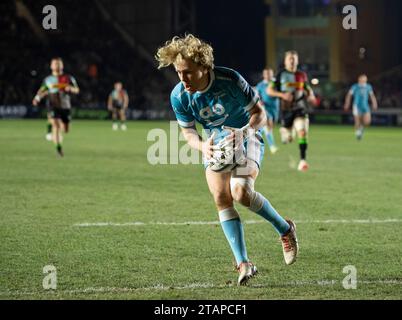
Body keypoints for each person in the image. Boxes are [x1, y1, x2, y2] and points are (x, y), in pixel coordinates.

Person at [155, 34, 298, 286]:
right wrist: (202, 146)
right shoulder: (179, 95)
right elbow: (188, 132)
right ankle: (244, 263)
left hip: (246, 135)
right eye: (178, 72)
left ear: (204, 67)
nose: (183, 79)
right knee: (221, 197)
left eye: (188, 72)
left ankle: (285, 229)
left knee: (241, 192)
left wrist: (244, 132)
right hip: (215, 144)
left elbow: (259, 114)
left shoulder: (230, 80)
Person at [267, 50, 317, 172]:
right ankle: (286, 132)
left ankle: (303, 161)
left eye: (294, 58)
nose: (292, 60)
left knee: (303, 132)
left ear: (297, 60)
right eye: (290, 58)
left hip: (300, 108)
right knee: (288, 139)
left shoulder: (302, 75)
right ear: (285, 61)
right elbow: (269, 90)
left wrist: (311, 96)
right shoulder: (280, 75)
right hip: (286, 110)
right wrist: (282, 95)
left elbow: (307, 88)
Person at [32, 57, 79, 156]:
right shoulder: (48, 80)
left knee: (66, 130)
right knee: (56, 125)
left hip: (65, 106)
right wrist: (37, 98)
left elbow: (77, 90)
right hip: (52, 104)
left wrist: (70, 88)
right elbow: (42, 90)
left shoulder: (68, 78)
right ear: (51, 66)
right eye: (55, 64)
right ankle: (58, 149)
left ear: (62, 65)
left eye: (59, 63)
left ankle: (53, 130)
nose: (57, 65)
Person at [343, 74, 378, 140]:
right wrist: (347, 103)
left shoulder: (368, 87)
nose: (363, 80)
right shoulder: (355, 86)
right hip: (356, 105)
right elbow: (349, 95)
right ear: (359, 79)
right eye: (362, 79)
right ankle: (358, 133)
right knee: (357, 121)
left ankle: (361, 127)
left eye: (365, 79)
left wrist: (374, 103)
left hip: (365, 106)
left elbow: (372, 95)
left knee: (367, 121)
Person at [255, 68, 280, 154]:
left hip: (275, 108)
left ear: (272, 74)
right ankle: (272, 146)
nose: (268, 75)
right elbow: (257, 96)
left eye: (270, 74)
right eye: (266, 74)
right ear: (264, 75)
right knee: (268, 123)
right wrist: (260, 102)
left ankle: (255, 135)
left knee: (268, 128)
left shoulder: (276, 83)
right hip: (265, 108)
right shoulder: (260, 85)